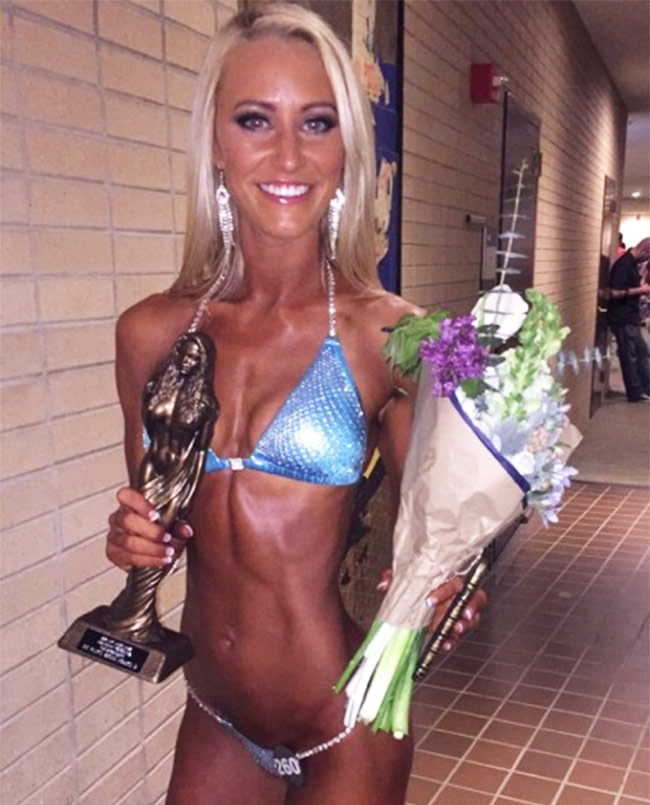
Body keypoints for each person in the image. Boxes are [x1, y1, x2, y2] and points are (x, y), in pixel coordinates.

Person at [106, 5, 485, 803]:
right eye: (254, 120)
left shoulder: (396, 336)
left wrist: (452, 583)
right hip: (214, 709)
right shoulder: (150, 333)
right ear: (213, 139)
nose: (288, 155)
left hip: (345, 713)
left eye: (316, 123)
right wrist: (133, 538)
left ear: (346, 144)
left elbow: (444, 536)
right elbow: (160, 519)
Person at [607, 237, 650, 403]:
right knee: (630, 355)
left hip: (629, 316)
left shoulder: (631, 264)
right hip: (623, 317)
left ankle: (643, 388)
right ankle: (635, 392)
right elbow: (614, 292)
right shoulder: (624, 264)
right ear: (646, 250)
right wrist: (641, 289)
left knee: (641, 353)